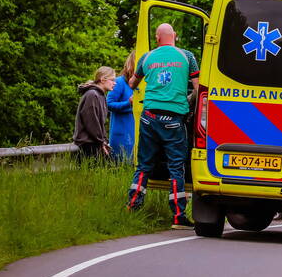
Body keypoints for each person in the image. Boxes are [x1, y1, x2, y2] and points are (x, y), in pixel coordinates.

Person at [126, 23, 199, 229]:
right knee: (176, 167)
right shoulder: (187, 56)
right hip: (174, 120)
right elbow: (198, 86)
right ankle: (178, 216)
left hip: (149, 117)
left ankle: (132, 206)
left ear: (157, 38)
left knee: (144, 165)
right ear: (174, 36)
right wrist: (188, 101)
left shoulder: (147, 57)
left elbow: (132, 84)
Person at [73, 66, 116, 162]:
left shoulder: (101, 95)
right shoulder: (92, 94)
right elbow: (91, 122)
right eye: (112, 80)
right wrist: (101, 141)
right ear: (102, 79)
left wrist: (104, 141)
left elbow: (100, 124)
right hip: (88, 144)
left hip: (96, 142)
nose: (115, 83)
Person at [106, 50, 136, 161]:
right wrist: (128, 103)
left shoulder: (144, 84)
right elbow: (108, 103)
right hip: (122, 135)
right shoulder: (120, 82)